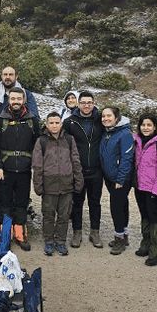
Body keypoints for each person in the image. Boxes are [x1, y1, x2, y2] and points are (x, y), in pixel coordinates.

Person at [0, 87, 40, 251]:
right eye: (13, 99)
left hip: (24, 170)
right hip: (4, 170)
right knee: (4, 204)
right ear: (8, 100)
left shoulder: (32, 120)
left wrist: (35, 163)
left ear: (24, 100)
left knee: (21, 203)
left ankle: (20, 234)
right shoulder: (0, 119)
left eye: (19, 99)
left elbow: (37, 145)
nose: (16, 101)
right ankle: (6, 236)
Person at [33, 112, 83, 256]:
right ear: (47, 125)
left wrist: (78, 180)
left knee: (64, 215)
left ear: (61, 124)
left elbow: (75, 161)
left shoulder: (69, 140)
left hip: (67, 185)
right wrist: (38, 184)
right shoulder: (41, 141)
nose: (54, 125)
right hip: (49, 186)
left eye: (57, 123)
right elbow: (37, 165)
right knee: (48, 215)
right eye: (51, 123)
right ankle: (48, 241)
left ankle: (60, 241)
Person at [64, 90, 104, 248]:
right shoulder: (70, 122)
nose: (86, 105)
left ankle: (95, 232)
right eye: (83, 103)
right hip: (77, 170)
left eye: (90, 103)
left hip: (96, 169)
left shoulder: (101, 119)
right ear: (78, 104)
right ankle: (77, 232)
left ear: (94, 104)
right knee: (77, 202)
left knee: (95, 202)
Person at [133, 113, 157, 266]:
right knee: (144, 216)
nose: (146, 128)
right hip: (140, 187)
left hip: (154, 189)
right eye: (143, 125)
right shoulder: (137, 141)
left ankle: (155, 253)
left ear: (155, 126)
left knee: (154, 219)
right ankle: (145, 245)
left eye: (149, 125)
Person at [99, 105, 134, 255]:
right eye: (103, 116)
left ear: (117, 118)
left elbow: (127, 157)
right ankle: (124, 235)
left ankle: (119, 238)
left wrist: (120, 179)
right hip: (110, 177)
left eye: (109, 116)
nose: (106, 119)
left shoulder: (124, 134)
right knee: (122, 204)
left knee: (116, 207)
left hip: (120, 179)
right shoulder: (108, 132)